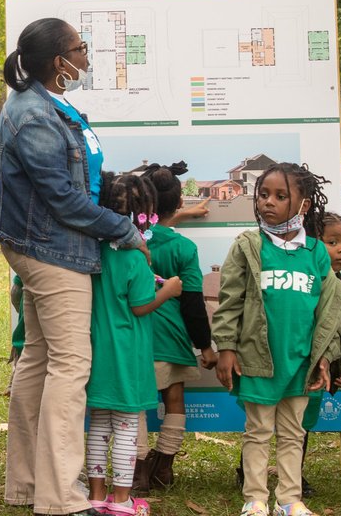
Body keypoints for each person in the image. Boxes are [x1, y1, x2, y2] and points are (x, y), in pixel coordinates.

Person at [0, 17, 144, 516]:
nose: (86, 56)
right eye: (81, 48)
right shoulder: (32, 114)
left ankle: (28, 486)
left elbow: (77, 180)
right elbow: (60, 197)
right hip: (51, 249)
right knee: (71, 365)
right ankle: (61, 498)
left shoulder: (50, 103)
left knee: (38, 356)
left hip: (50, 243)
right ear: (60, 62)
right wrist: (122, 229)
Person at [213, 162, 341, 516]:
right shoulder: (249, 245)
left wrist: (324, 356)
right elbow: (230, 302)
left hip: (299, 361)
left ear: (303, 205)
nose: (268, 202)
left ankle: (290, 499)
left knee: (293, 433)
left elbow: (329, 311)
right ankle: (254, 498)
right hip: (258, 359)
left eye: (280, 196)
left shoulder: (316, 252)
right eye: (264, 194)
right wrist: (226, 347)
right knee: (257, 432)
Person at [86, 172, 181, 515]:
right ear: (145, 214)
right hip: (129, 358)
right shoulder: (135, 258)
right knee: (126, 428)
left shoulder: (92, 253)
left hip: (97, 356)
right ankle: (123, 501)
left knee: (98, 425)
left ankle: (96, 497)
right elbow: (141, 306)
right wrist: (167, 291)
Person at [138, 161, 218, 490]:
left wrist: (180, 215)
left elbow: (157, 227)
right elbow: (193, 304)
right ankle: (164, 466)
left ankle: (138, 471)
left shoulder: (126, 240)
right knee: (174, 398)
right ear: (179, 203)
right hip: (171, 336)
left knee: (136, 405)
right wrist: (205, 347)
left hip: (135, 334)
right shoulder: (184, 248)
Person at [298, 214, 341, 497]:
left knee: (303, 424)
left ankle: (295, 474)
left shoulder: (340, 285)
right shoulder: (305, 279)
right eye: (332, 242)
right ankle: (248, 470)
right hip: (293, 362)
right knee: (268, 421)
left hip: (317, 371)